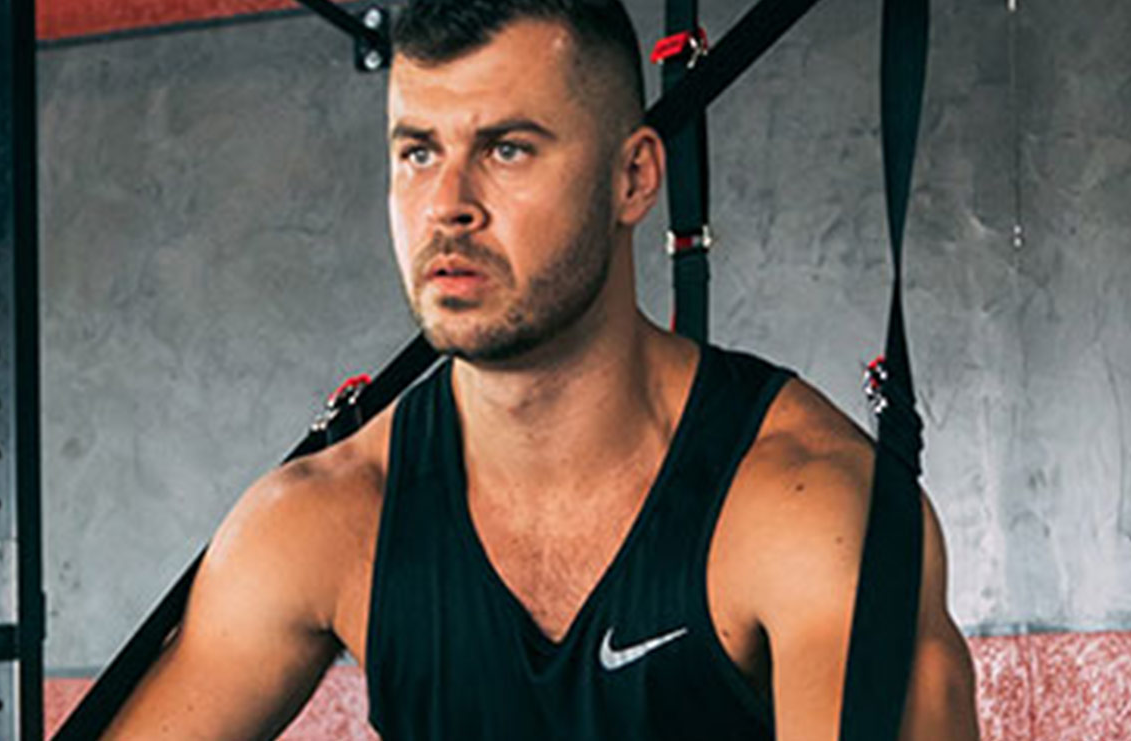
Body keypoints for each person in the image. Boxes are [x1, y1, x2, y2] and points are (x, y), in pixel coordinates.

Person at [102, 0, 979, 738]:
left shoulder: (807, 507)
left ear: (633, 177)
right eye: (418, 152)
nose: (448, 206)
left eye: (507, 148)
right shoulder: (329, 516)